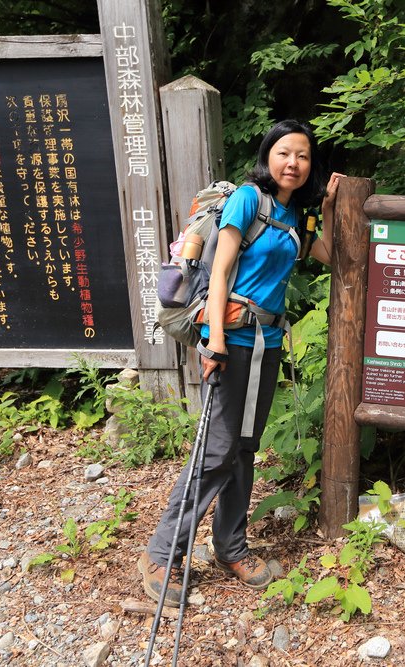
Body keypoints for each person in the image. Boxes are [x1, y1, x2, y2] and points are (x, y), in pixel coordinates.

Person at [138, 119, 343, 605]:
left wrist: (330, 208)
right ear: (268, 156)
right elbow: (221, 270)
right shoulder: (248, 199)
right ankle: (163, 553)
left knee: (244, 447)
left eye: (303, 156)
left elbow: (331, 255)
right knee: (217, 448)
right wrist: (213, 341)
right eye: (284, 153)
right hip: (231, 336)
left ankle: (230, 545)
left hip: (268, 341)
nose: (293, 163)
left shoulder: (297, 217)